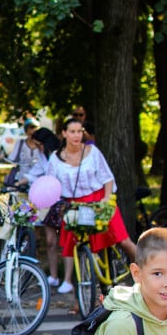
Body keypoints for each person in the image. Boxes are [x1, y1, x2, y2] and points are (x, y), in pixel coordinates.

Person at [49, 117, 137, 295]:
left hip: (98, 200)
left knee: (123, 240)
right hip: (74, 205)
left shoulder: (92, 152)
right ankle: (72, 281)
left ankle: (145, 270)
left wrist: (105, 199)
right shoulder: (55, 159)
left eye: (79, 131)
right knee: (72, 242)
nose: (76, 135)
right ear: (64, 134)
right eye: (72, 132)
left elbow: (107, 179)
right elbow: (51, 185)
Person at [26, 127, 63, 286]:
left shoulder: (60, 155)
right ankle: (54, 275)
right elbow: (36, 171)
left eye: (39, 145)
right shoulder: (42, 156)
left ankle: (66, 275)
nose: (38, 149)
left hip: (62, 200)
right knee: (50, 241)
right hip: (50, 202)